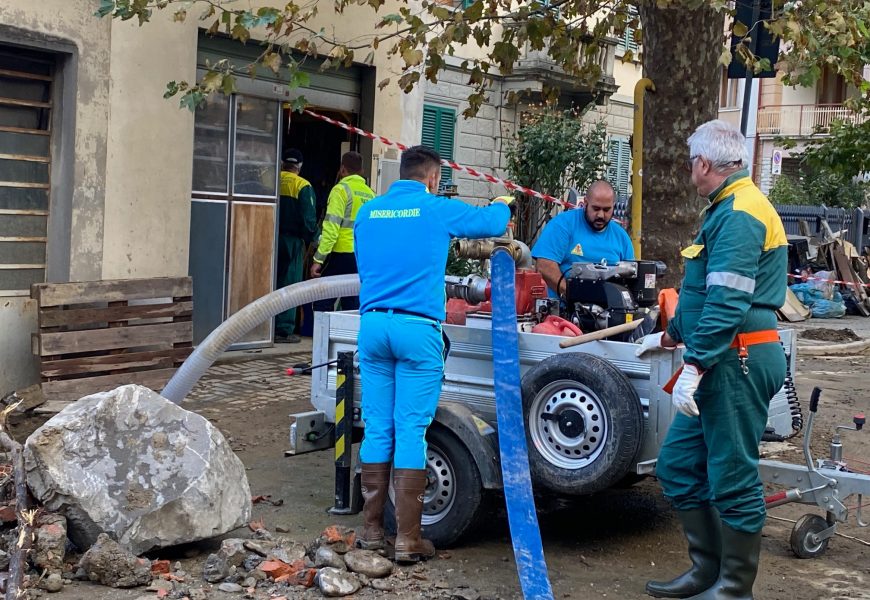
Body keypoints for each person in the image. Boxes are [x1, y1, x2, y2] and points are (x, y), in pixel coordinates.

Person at [636, 119, 788, 599]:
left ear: (703, 164)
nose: (689, 172)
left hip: (736, 359)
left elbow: (728, 300)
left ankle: (733, 589)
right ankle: (708, 572)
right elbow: (701, 293)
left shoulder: (741, 212)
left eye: (690, 164)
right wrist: (669, 337)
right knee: (678, 465)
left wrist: (696, 364)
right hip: (723, 357)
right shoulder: (726, 208)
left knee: (732, 477)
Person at [353, 146, 511, 563]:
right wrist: (501, 202)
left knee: (377, 426)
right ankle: (407, 539)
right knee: (410, 428)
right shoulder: (435, 208)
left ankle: (370, 532)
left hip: (372, 326)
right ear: (432, 178)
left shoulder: (368, 212)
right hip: (417, 329)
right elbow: (493, 223)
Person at [531, 180, 634, 297]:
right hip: (564, 309)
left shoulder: (621, 237)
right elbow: (544, 266)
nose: (600, 215)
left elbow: (631, 275)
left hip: (610, 310)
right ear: (585, 203)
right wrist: (573, 295)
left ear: (613, 206)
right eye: (595, 208)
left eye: (606, 210)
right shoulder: (562, 225)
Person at [309, 151, 375, 312]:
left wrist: (318, 259)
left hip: (340, 254)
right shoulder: (371, 194)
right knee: (352, 305)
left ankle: (322, 337)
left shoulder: (340, 190)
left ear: (343, 169)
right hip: (361, 258)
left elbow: (331, 228)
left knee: (322, 300)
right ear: (361, 171)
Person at [275, 148, 317, 343]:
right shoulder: (303, 185)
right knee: (289, 285)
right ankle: (284, 330)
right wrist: (313, 239)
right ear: (299, 166)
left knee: (271, 281)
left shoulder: (273, 180)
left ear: (282, 162)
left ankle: (268, 326)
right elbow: (309, 220)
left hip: (271, 238)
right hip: (293, 242)